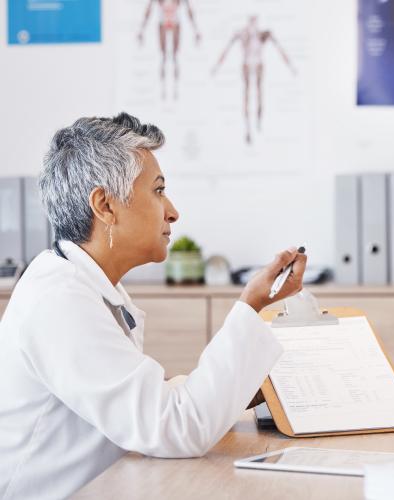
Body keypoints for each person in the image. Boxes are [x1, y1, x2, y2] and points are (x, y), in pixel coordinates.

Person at [0, 113, 306, 499]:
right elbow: (174, 427)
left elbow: (145, 401)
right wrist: (251, 304)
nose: (172, 211)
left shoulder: (86, 284)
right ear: (105, 206)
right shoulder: (58, 302)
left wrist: (233, 391)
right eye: (158, 191)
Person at [211, 15, 296, 144]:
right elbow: (227, 49)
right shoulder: (242, 34)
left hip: (258, 65)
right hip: (247, 64)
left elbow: (279, 49)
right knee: (247, 95)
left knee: (258, 93)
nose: (253, 25)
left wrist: (290, 65)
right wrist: (217, 66)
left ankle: (258, 122)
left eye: (255, 22)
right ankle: (248, 128)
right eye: (251, 22)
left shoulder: (263, 34)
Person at [137, 0, 201, 100]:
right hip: (164, 22)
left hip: (174, 23)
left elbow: (189, 10)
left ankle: (174, 90)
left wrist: (196, 29)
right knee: (164, 57)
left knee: (173, 58)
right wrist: (142, 29)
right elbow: (149, 10)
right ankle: (164, 91)